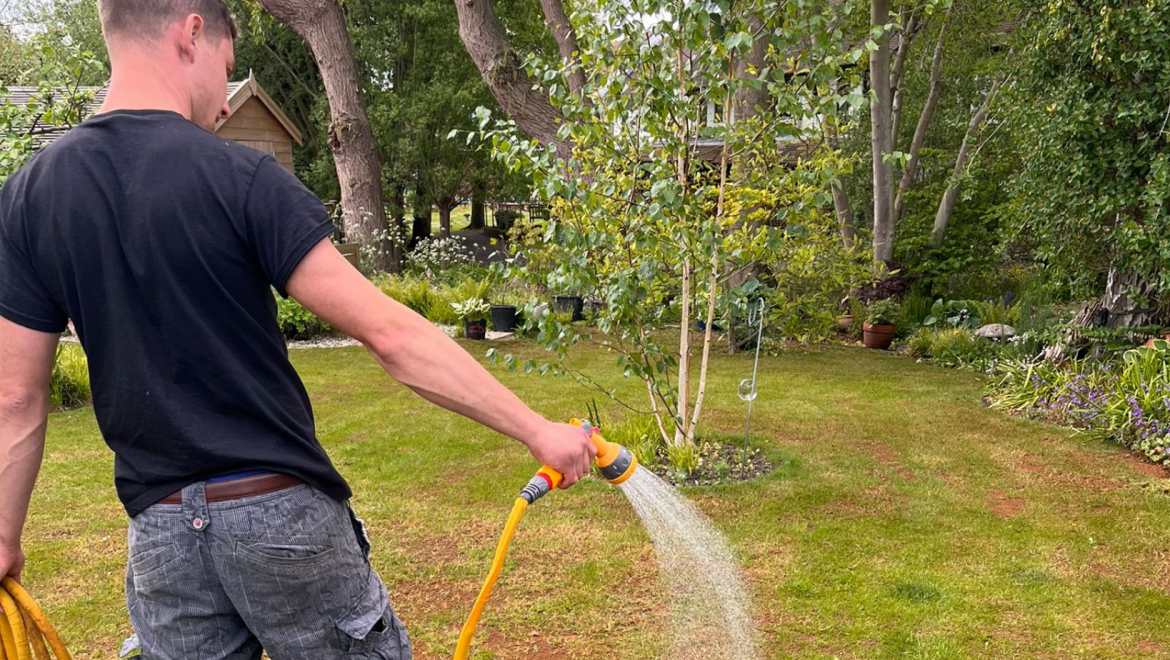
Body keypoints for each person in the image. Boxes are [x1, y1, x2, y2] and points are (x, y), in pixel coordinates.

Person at [0, 1, 597, 658]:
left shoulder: (31, 195)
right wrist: (539, 431)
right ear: (191, 32)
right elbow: (390, 335)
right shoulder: (242, 178)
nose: (224, 105)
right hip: (277, 515)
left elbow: (15, 398)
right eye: (226, 69)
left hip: (162, 535)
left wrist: (3, 535)